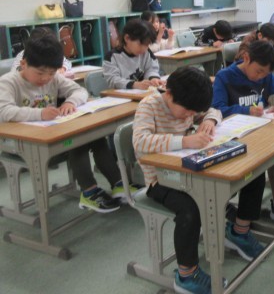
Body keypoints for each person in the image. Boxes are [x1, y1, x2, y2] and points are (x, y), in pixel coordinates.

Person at [0, 33, 137, 213]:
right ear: (23, 64)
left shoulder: (54, 78)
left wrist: (70, 102)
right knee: (76, 142)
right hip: (21, 142)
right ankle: (89, 192)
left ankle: (118, 183)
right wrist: (40, 113)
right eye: (40, 73)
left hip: (50, 134)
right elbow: (4, 111)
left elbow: (80, 91)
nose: (45, 78)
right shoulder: (8, 82)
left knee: (94, 138)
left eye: (51, 73)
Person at [133, 67, 223, 294]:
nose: (188, 116)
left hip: (185, 174)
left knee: (217, 191)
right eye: (187, 111)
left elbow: (214, 110)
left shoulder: (186, 102)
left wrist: (210, 120)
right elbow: (140, 141)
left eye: (193, 112)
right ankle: (186, 274)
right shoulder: (149, 106)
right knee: (190, 209)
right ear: (169, 94)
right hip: (158, 180)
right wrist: (184, 142)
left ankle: (227, 235)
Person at [213, 40, 274, 223]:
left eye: (265, 74)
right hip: (231, 137)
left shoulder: (265, 76)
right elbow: (217, 109)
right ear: (246, 58)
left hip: (258, 132)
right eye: (258, 71)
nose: (260, 77)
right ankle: (231, 210)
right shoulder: (224, 77)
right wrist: (246, 110)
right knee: (254, 167)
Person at [103, 19, 163, 90]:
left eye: (147, 44)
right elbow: (113, 80)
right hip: (120, 95)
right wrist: (134, 85)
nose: (144, 49)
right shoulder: (112, 57)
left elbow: (152, 68)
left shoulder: (146, 53)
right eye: (140, 44)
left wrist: (153, 78)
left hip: (142, 93)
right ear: (127, 38)